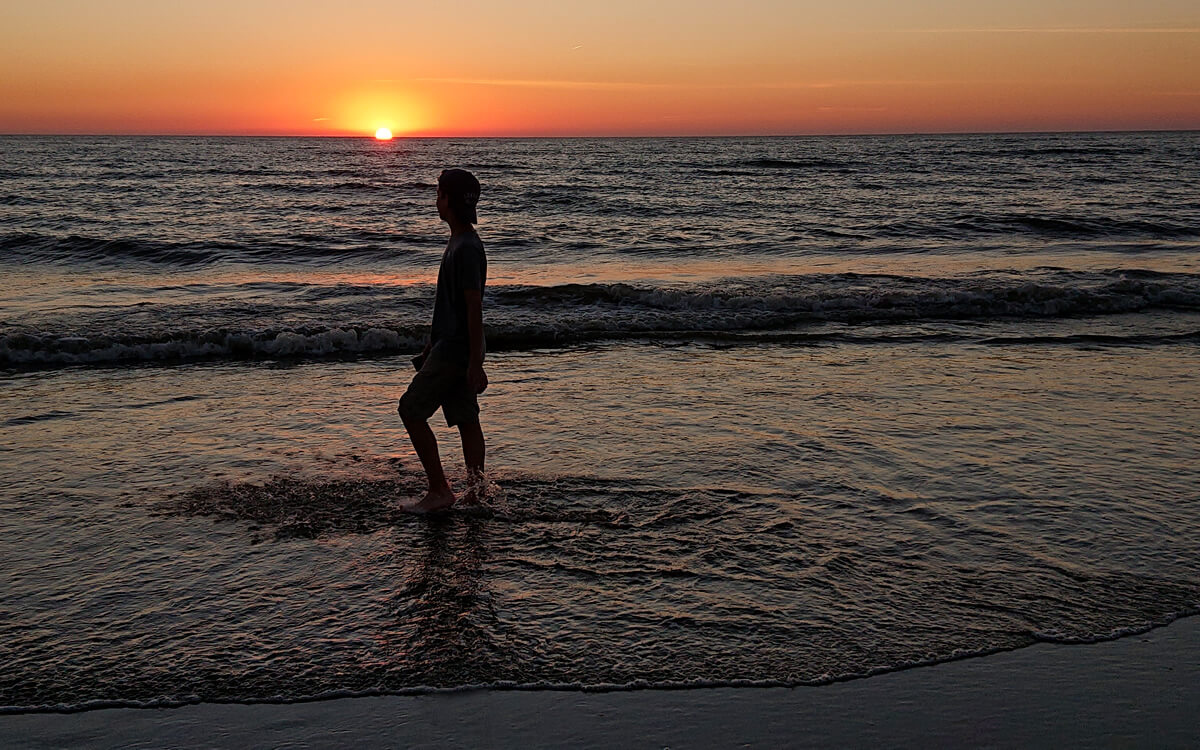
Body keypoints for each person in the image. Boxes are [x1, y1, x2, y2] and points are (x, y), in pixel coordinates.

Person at [397, 169, 488, 513]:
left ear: (449, 200)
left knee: (410, 409)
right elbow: (455, 305)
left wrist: (474, 362)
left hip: (455, 350)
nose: (436, 200)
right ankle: (476, 494)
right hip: (451, 347)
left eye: (439, 194)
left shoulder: (464, 247)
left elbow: (473, 306)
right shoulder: (463, 242)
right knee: (467, 419)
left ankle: (439, 489)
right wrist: (433, 343)